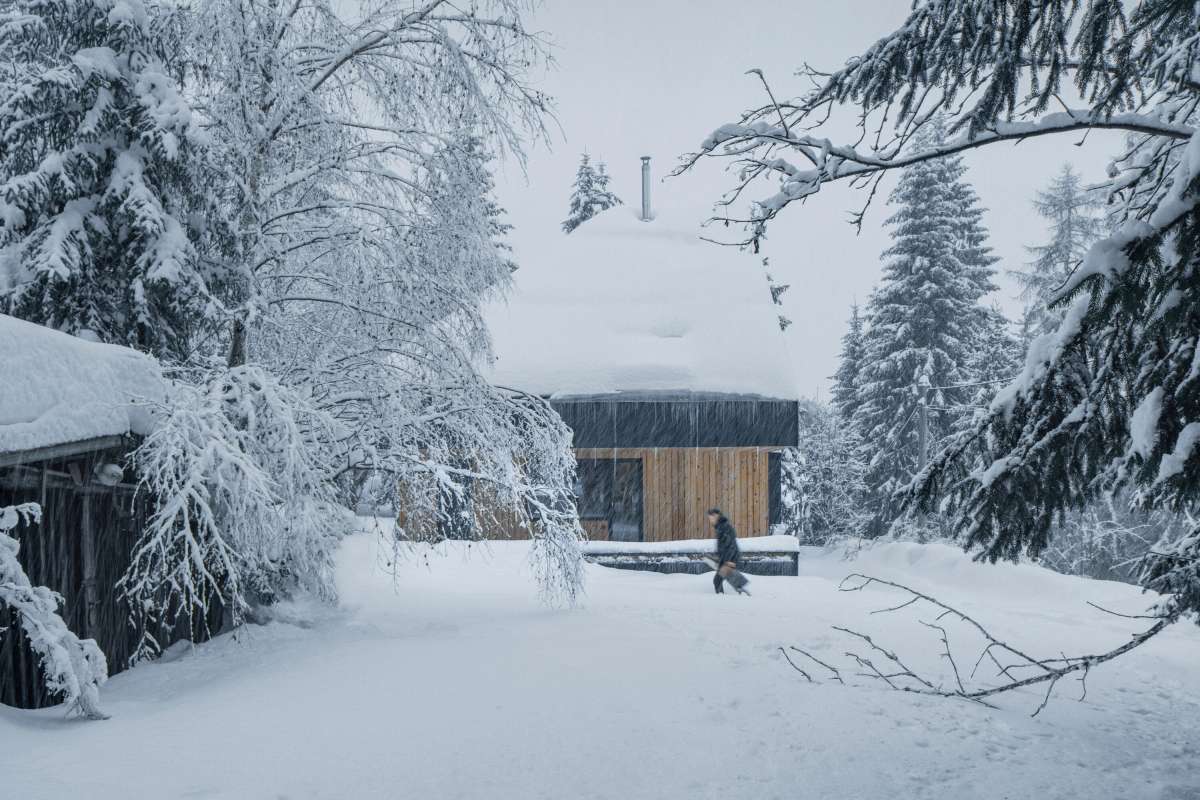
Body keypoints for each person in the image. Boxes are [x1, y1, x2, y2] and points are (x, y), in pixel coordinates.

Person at [707, 507, 741, 594]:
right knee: (733, 580)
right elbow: (723, 546)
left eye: (711, 517)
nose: (710, 520)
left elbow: (730, 545)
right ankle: (742, 594)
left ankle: (721, 600)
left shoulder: (724, 527)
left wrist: (729, 561)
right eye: (709, 518)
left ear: (717, 516)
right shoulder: (721, 527)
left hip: (729, 559)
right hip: (727, 559)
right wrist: (717, 556)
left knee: (717, 581)